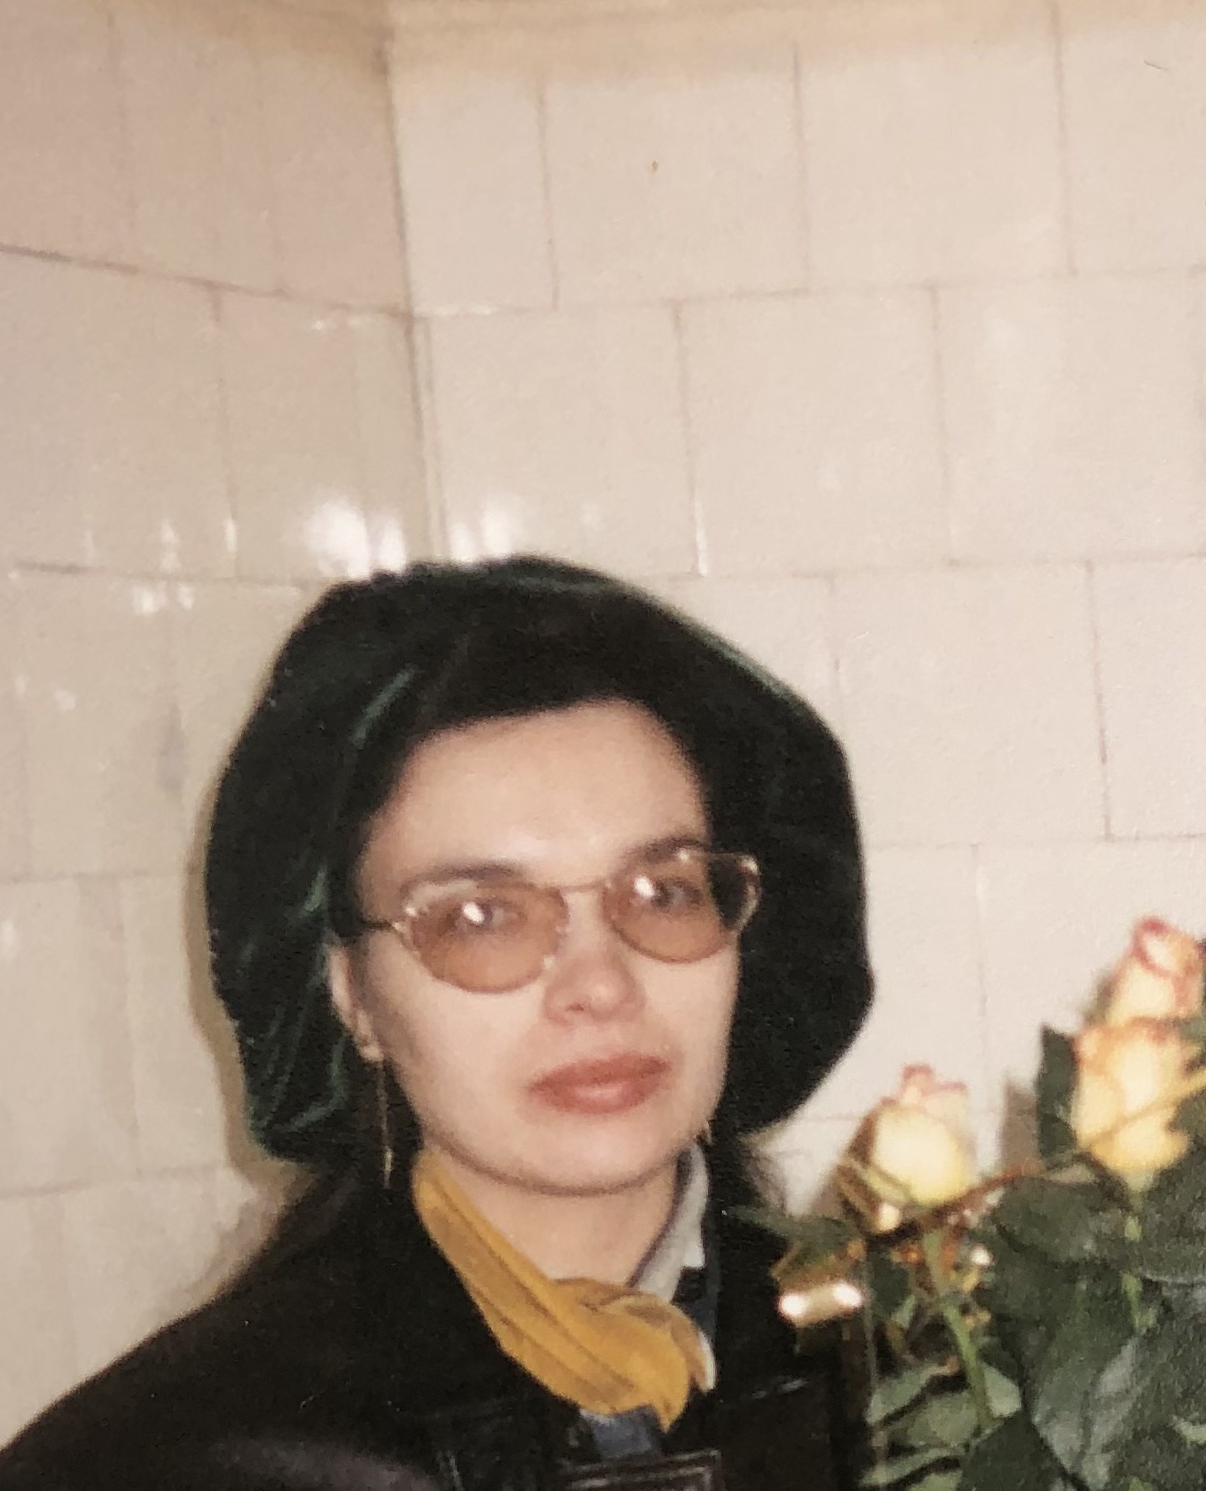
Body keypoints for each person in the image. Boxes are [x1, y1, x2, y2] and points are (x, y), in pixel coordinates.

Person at [0, 556, 876, 1491]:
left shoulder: (909, 1380)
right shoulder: (184, 1460)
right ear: (351, 995)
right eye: (481, 917)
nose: (600, 985)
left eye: (664, 892)